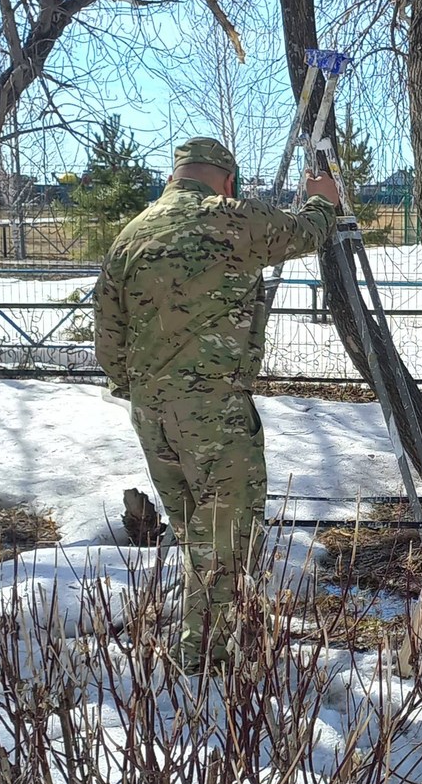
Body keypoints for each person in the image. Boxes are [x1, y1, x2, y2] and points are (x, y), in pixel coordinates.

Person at [94, 135, 340, 669]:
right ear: (226, 181)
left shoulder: (131, 235)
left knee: (195, 534)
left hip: (150, 411)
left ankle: (214, 634)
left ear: (174, 175)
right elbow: (304, 232)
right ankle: (204, 657)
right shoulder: (227, 218)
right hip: (212, 409)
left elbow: (108, 341)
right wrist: (323, 200)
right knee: (225, 537)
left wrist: (143, 390)